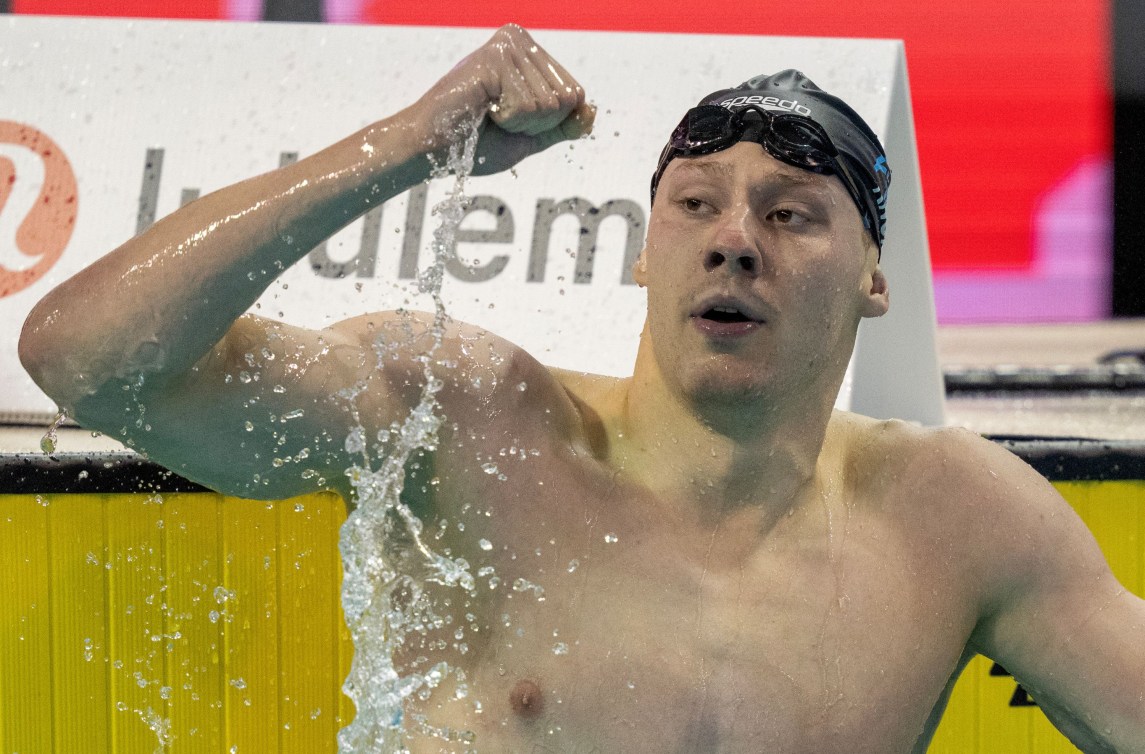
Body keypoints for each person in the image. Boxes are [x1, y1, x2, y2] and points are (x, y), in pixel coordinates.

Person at [18, 24, 1145, 753]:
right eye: (695, 205)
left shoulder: (954, 518)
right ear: (641, 253)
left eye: (790, 212)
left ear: (871, 278)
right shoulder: (464, 421)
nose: (734, 243)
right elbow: (89, 358)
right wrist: (412, 142)